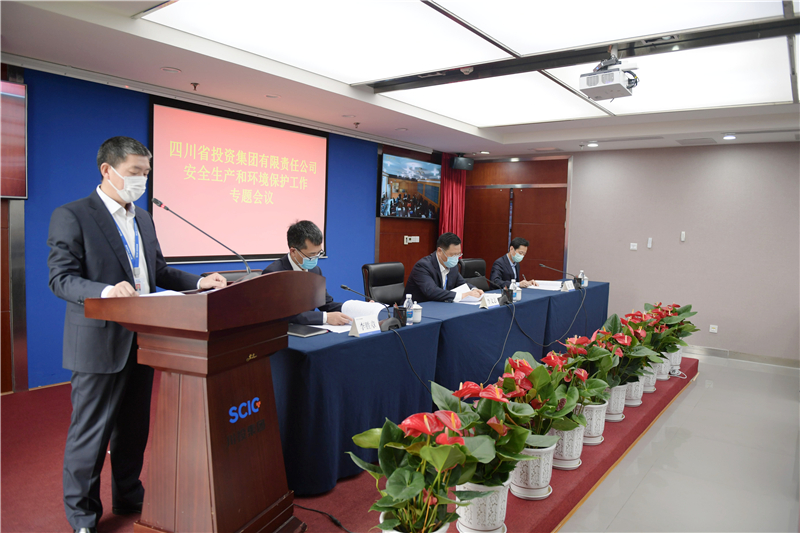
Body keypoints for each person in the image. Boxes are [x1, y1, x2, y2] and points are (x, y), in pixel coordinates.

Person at [47, 136, 227, 533]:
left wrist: (199, 281)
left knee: (133, 429)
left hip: (143, 340)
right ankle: (82, 515)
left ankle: (129, 494)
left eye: (145, 173)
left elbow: (157, 271)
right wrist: (105, 291)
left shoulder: (143, 218)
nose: (141, 181)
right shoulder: (73, 215)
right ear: (107, 170)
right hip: (98, 342)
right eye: (134, 172)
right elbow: (61, 279)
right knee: (91, 434)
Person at [261, 220, 352, 325]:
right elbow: (284, 314)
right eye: (311, 254)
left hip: (308, 329)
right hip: (285, 331)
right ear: (293, 251)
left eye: (319, 253)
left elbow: (326, 304)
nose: (315, 258)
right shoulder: (274, 273)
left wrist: (355, 309)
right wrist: (325, 318)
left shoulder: (315, 270)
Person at [405, 232, 484, 303]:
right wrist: (462, 296)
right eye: (453, 255)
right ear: (440, 251)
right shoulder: (423, 266)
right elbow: (431, 291)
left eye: (458, 254)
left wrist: (474, 289)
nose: (456, 258)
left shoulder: (453, 266)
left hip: (441, 306)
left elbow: (461, 283)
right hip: (418, 309)